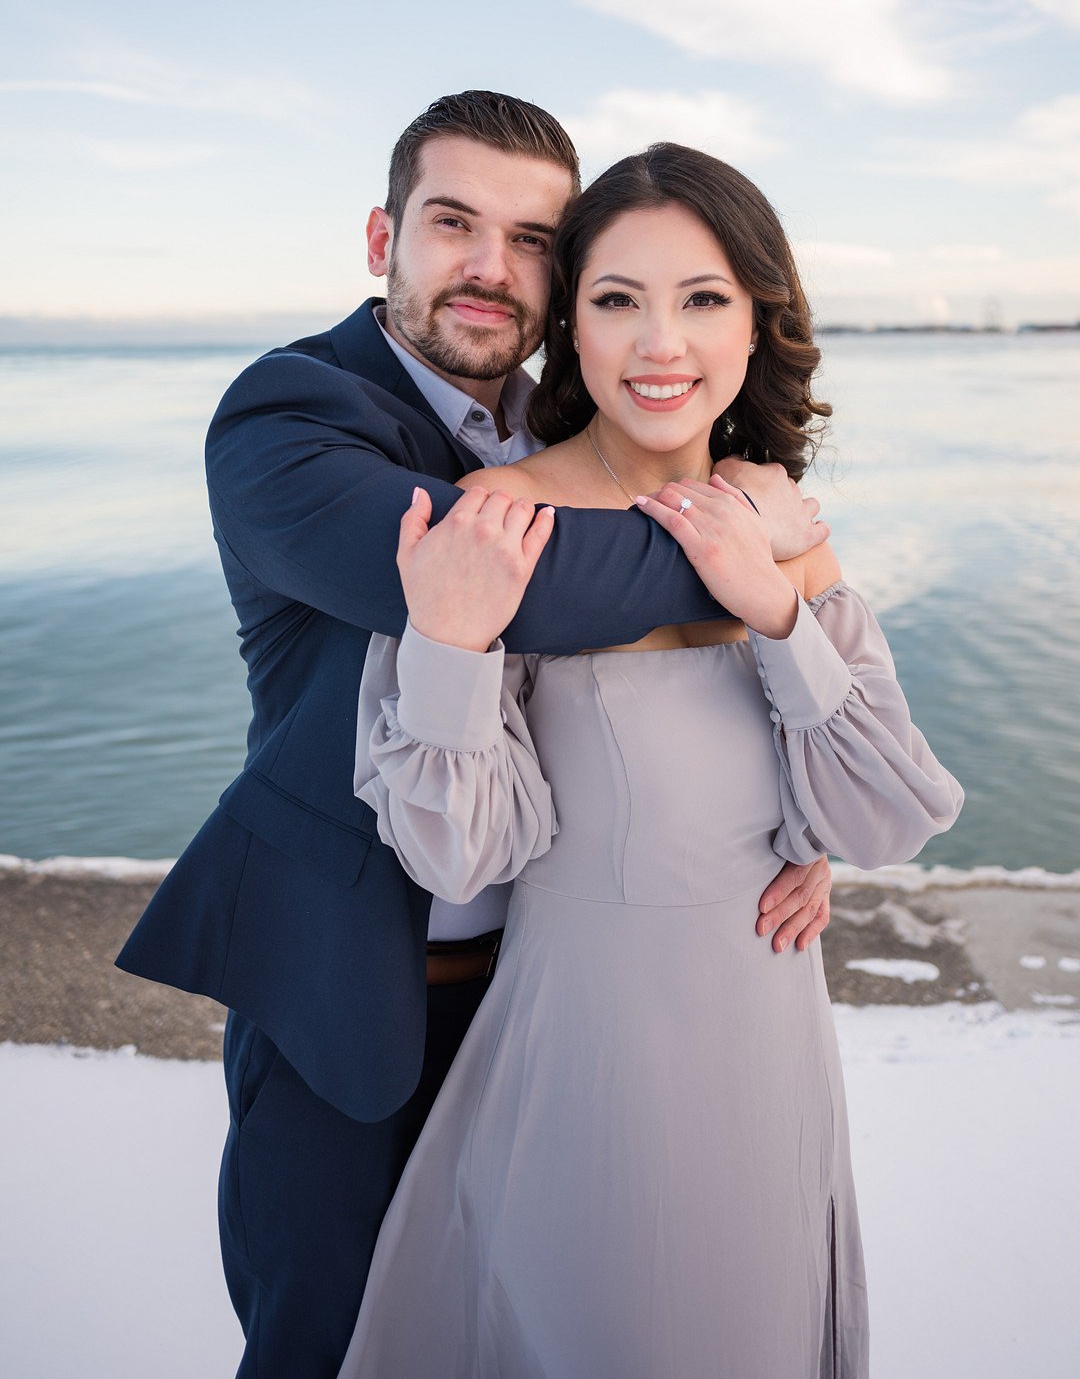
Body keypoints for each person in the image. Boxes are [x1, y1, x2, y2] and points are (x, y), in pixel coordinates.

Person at [116, 95, 833, 1378]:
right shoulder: (287, 415)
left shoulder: (566, 428)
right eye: (454, 224)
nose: (491, 267)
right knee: (326, 1346)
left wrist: (770, 810)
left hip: (556, 999)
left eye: (532, 237)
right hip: (350, 991)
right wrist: (764, 540)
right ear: (386, 234)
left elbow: (634, 696)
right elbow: (534, 588)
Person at [339, 143, 964, 1378]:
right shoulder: (501, 518)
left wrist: (777, 613)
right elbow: (459, 845)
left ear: (756, 320)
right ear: (569, 323)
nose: (659, 343)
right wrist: (453, 644)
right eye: (618, 299)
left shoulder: (778, 518)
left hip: (769, 1039)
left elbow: (886, 811)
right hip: (589, 1057)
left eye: (703, 299)